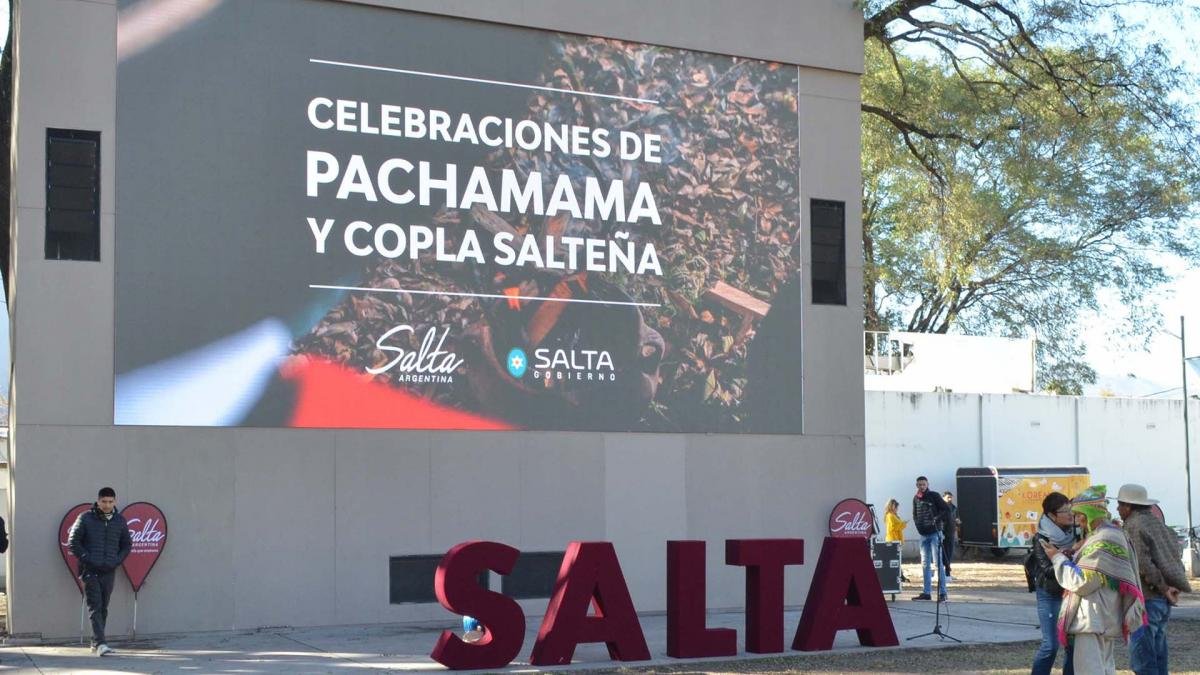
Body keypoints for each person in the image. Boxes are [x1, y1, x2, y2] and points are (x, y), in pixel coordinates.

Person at [1043, 485, 1146, 675]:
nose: (1078, 522)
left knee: (1090, 670)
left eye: (1079, 516)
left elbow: (1081, 582)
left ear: (1087, 515)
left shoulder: (1102, 540)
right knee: (1105, 668)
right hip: (1103, 616)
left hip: (1092, 618)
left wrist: (1056, 558)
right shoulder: (1114, 533)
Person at [1117, 483, 1191, 675]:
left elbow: (1142, 563)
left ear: (1129, 506)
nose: (1117, 509)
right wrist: (1169, 588)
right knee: (1158, 655)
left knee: (1143, 659)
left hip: (1148, 599)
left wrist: (1163, 587)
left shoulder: (1134, 525)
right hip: (1162, 600)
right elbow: (1172, 556)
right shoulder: (1157, 523)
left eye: (1120, 505)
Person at [68, 487, 133, 657]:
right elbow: (73, 542)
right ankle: (101, 643)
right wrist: (87, 559)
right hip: (90, 569)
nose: (107, 505)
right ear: (98, 501)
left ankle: (95, 641)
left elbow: (127, 544)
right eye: (104, 501)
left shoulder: (119, 521)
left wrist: (116, 561)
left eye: (110, 501)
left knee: (104, 607)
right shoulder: (85, 518)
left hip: (109, 570)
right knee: (95, 606)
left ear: (115, 502)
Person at [1029, 491, 1076, 675]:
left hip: (1072, 592)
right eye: (1065, 511)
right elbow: (1048, 570)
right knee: (1051, 645)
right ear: (1051, 515)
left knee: (1072, 643)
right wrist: (1067, 555)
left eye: (1070, 509)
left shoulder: (1075, 532)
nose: (1070, 514)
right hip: (1050, 593)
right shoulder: (1042, 538)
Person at [911, 476, 949, 601]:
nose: (922, 486)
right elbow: (915, 515)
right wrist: (919, 527)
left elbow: (946, 510)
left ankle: (943, 593)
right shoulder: (916, 499)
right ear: (917, 486)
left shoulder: (934, 496)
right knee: (925, 564)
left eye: (924, 484)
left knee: (938, 564)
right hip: (923, 535)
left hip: (934, 533)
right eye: (919, 484)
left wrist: (936, 519)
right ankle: (926, 593)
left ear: (927, 484)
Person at [884, 498, 910, 582]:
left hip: (896, 540)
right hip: (892, 540)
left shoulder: (893, 515)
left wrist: (902, 524)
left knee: (897, 559)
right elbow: (893, 528)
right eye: (896, 507)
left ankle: (900, 575)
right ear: (892, 507)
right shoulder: (890, 515)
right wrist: (903, 524)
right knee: (895, 559)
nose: (897, 509)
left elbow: (896, 526)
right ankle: (900, 575)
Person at [941, 491, 960, 579]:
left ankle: (947, 572)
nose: (950, 499)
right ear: (943, 497)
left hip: (951, 532)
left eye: (951, 497)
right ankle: (943, 572)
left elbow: (957, 518)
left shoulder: (953, 508)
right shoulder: (940, 507)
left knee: (950, 552)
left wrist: (957, 522)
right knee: (943, 552)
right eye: (948, 497)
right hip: (943, 532)